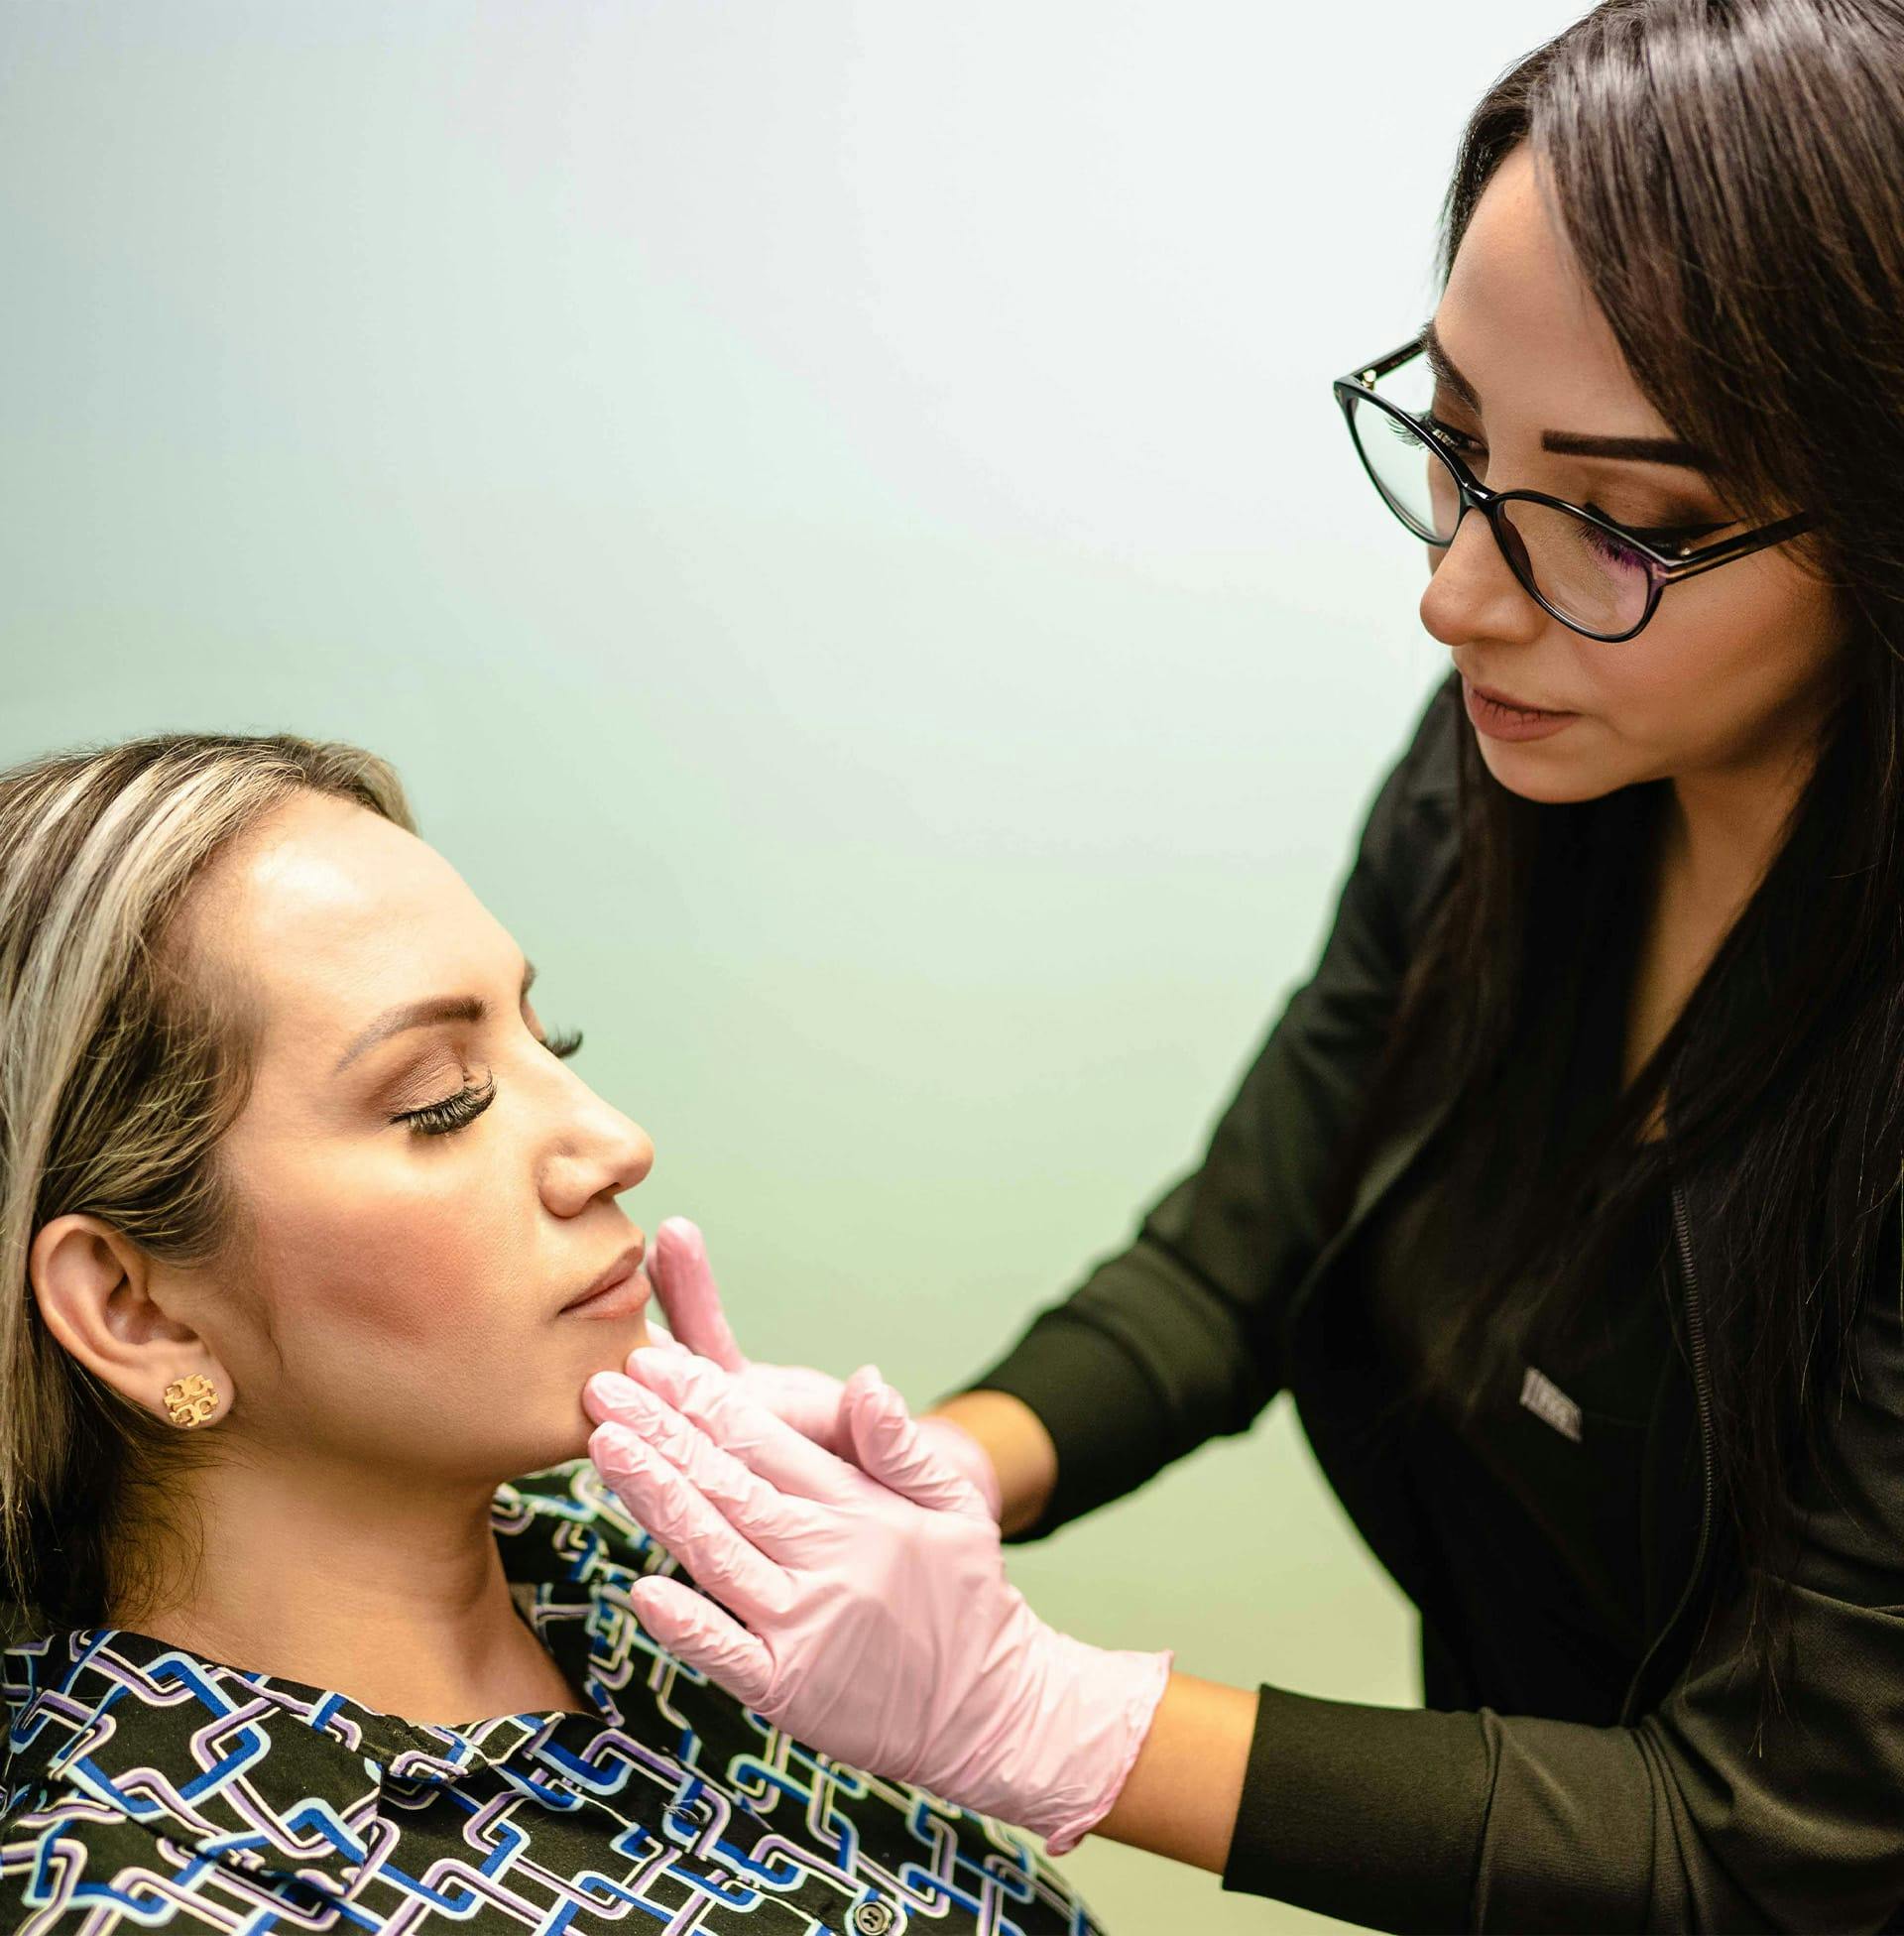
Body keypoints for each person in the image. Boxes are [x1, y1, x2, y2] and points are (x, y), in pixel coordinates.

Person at [577, 1, 1904, 1928]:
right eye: (1455, 439)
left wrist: (1048, 1716)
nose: (1452, 594)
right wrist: (921, 1475)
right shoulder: (1526, 785)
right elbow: (1243, 1250)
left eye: (1619, 518)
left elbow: (1766, 1840)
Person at [0, 735, 1106, 1935]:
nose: (616, 1139)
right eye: (441, 1099)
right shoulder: (152, 1895)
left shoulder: (664, 1584)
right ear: (138, 1308)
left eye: (550, 1040)